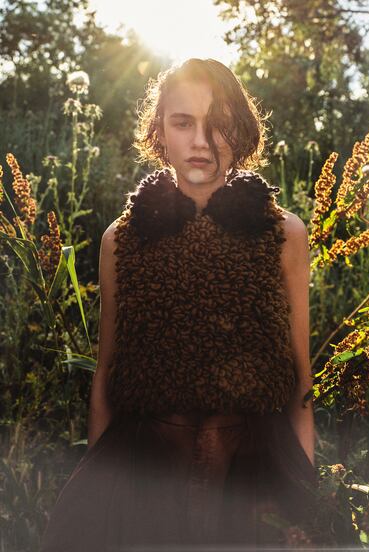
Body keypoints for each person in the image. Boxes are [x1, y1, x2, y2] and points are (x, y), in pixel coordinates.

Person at [40, 58, 318, 552]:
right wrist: (100, 491)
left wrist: (307, 496)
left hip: (252, 473)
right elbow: (106, 375)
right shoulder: (121, 239)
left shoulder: (283, 233)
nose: (201, 142)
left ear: (243, 129)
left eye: (220, 123)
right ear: (159, 130)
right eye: (183, 122)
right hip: (146, 472)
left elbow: (301, 381)